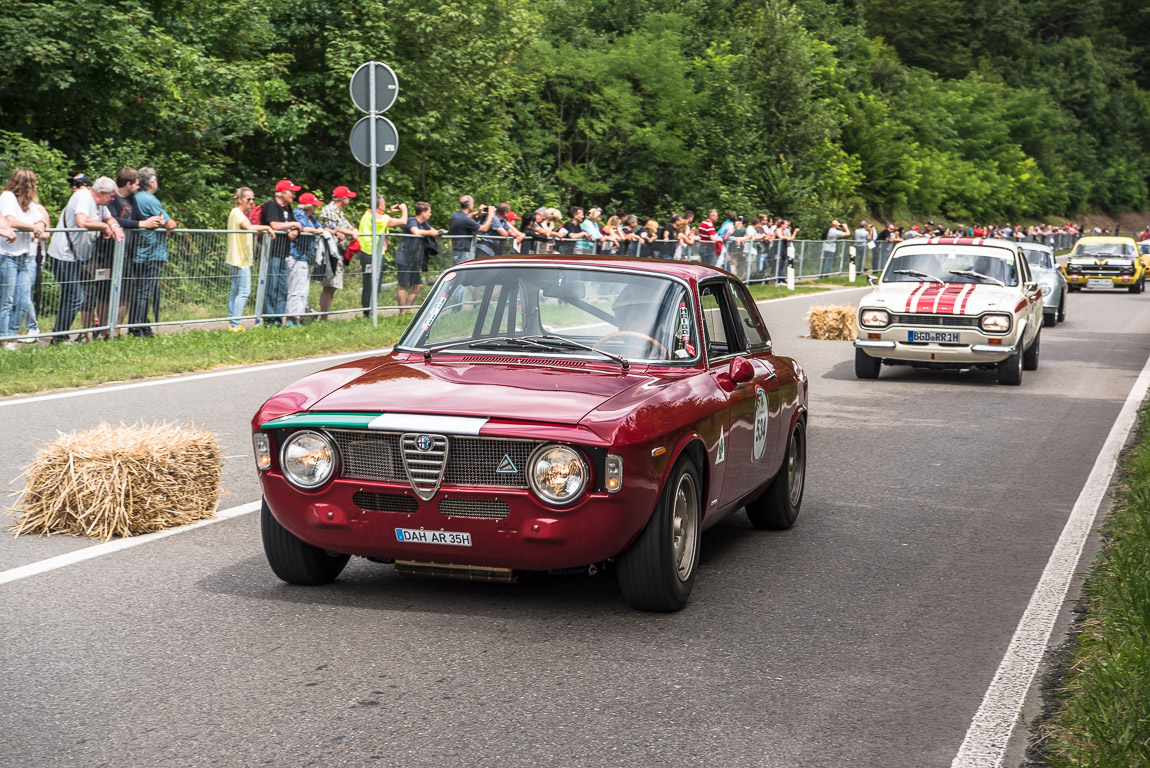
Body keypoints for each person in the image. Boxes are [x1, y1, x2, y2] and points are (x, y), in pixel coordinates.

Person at [46, 176, 124, 343]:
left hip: (78, 256)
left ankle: (59, 336)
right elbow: (81, 221)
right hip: (64, 254)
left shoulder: (100, 204)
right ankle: (59, 337)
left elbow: (109, 218)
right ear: (102, 193)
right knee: (75, 297)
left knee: (71, 296)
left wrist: (115, 226)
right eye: (111, 196)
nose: (113, 199)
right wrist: (104, 227)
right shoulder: (83, 196)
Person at [0, 168, 51, 348]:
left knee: (22, 300)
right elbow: (10, 221)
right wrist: (33, 227)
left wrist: (39, 225)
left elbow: (42, 219)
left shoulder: (29, 204)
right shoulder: (7, 197)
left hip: (24, 255)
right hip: (7, 255)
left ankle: (10, 335)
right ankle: (4, 339)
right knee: (6, 300)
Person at [128, 167, 178, 338]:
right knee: (144, 292)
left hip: (138, 250)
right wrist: (171, 225)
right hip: (151, 252)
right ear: (151, 182)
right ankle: (137, 328)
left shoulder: (134, 197)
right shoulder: (150, 199)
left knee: (140, 290)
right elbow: (170, 224)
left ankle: (142, 324)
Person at [225, 187, 274, 331]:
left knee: (236, 291)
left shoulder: (240, 213)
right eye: (248, 199)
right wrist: (266, 227)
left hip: (239, 258)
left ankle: (232, 322)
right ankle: (235, 324)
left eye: (253, 199)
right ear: (239, 199)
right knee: (244, 292)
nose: (252, 202)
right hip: (239, 260)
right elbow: (248, 227)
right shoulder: (237, 212)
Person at [260, 180, 302, 326]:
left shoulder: (288, 208)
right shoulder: (271, 206)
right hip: (272, 252)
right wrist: (294, 225)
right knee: (272, 286)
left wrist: (295, 231)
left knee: (282, 287)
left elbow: (295, 226)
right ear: (283, 193)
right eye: (292, 192)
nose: (294, 196)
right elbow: (275, 225)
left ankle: (278, 319)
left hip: (284, 252)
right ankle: (269, 320)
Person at [358, 196, 407, 312]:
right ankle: (369, 311)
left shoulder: (368, 214)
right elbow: (403, 221)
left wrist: (389, 213)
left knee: (368, 282)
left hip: (366, 253)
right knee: (375, 283)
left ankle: (367, 309)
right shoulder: (380, 218)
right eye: (383, 203)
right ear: (378, 204)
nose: (384, 205)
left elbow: (380, 221)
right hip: (375, 254)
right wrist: (404, 209)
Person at [317, 185, 359, 318]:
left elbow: (347, 227)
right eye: (348, 197)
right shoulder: (329, 211)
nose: (350, 200)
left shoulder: (339, 212)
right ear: (342, 199)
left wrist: (353, 231)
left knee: (333, 285)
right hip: (330, 253)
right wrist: (349, 232)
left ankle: (324, 315)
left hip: (338, 251)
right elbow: (335, 229)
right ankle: (323, 316)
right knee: (329, 285)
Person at [286, 192, 324, 325]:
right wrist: (316, 231)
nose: (315, 208)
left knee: (303, 289)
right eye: (314, 205)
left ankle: (299, 317)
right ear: (308, 206)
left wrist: (317, 230)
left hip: (305, 257)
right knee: (295, 289)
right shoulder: (298, 214)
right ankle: (291, 318)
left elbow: (320, 227)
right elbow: (304, 228)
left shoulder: (311, 217)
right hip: (296, 255)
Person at [395, 202, 439, 313]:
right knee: (402, 284)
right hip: (404, 257)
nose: (431, 214)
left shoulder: (425, 223)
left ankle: (407, 309)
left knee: (418, 284)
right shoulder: (412, 221)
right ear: (423, 213)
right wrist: (431, 233)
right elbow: (416, 232)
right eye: (429, 212)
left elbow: (433, 231)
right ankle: (402, 312)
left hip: (415, 259)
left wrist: (439, 233)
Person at [448, 195, 496, 263]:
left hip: (456, 251)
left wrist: (478, 212)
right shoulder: (466, 220)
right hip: (464, 253)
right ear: (469, 206)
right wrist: (491, 214)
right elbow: (484, 228)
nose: (473, 205)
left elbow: (467, 217)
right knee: (464, 273)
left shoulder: (455, 215)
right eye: (473, 204)